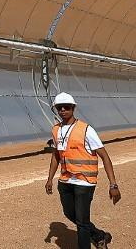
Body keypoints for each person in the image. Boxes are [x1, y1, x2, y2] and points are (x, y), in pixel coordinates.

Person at [45, 92, 121, 248]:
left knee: (81, 221)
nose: (63, 110)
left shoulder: (86, 130)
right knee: (70, 214)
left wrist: (113, 185)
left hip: (84, 182)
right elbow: (56, 156)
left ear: (73, 108)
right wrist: (49, 179)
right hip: (65, 181)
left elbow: (105, 157)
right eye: (60, 107)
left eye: (67, 107)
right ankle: (99, 236)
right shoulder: (56, 130)